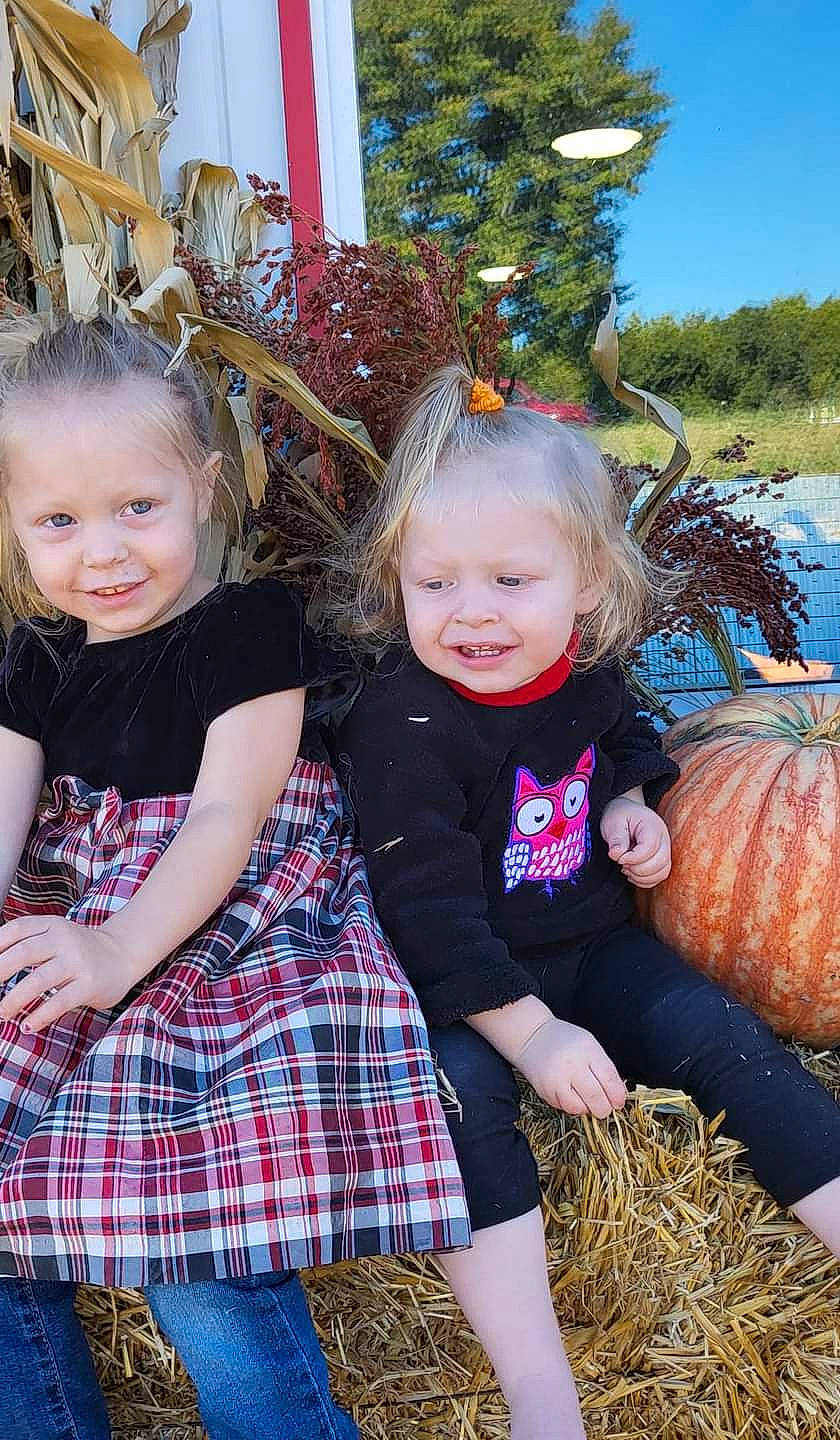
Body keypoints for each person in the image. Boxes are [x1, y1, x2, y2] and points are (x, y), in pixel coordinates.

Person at [0, 314, 471, 1440]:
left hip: (227, 951)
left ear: (205, 487)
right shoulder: (39, 664)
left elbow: (231, 811)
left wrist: (123, 948)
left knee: (194, 1249)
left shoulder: (247, 629)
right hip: (82, 951)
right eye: (60, 522)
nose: (105, 552)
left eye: (139, 508)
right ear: (10, 526)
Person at [333, 368, 840, 1440]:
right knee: (461, 1112)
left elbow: (621, 736)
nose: (472, 612)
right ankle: (539, 1388)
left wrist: (631, 798)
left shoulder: (582, 674)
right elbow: (424, 914)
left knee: (728, 1041)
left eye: (512, 580)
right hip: (458, 990)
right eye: (436, 585)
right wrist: (533, 1035)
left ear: (589, 587)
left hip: (595, 943)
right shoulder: (402, 725)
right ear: (397, 587)